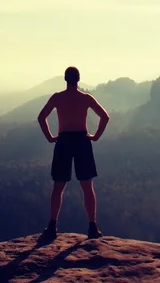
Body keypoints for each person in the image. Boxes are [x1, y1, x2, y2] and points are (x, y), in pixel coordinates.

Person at [37, 66, 110, 240]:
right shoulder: (85, 98)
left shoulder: (57, 98)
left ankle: (52, 226)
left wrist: (49, 137)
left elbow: (41, 117)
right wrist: (95, 136)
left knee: (58, 185)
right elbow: (105, 116)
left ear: (65, 79)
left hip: (63, 141)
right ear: (78, 79)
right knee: (87, 186)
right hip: (82, 141)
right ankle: (92, 227)